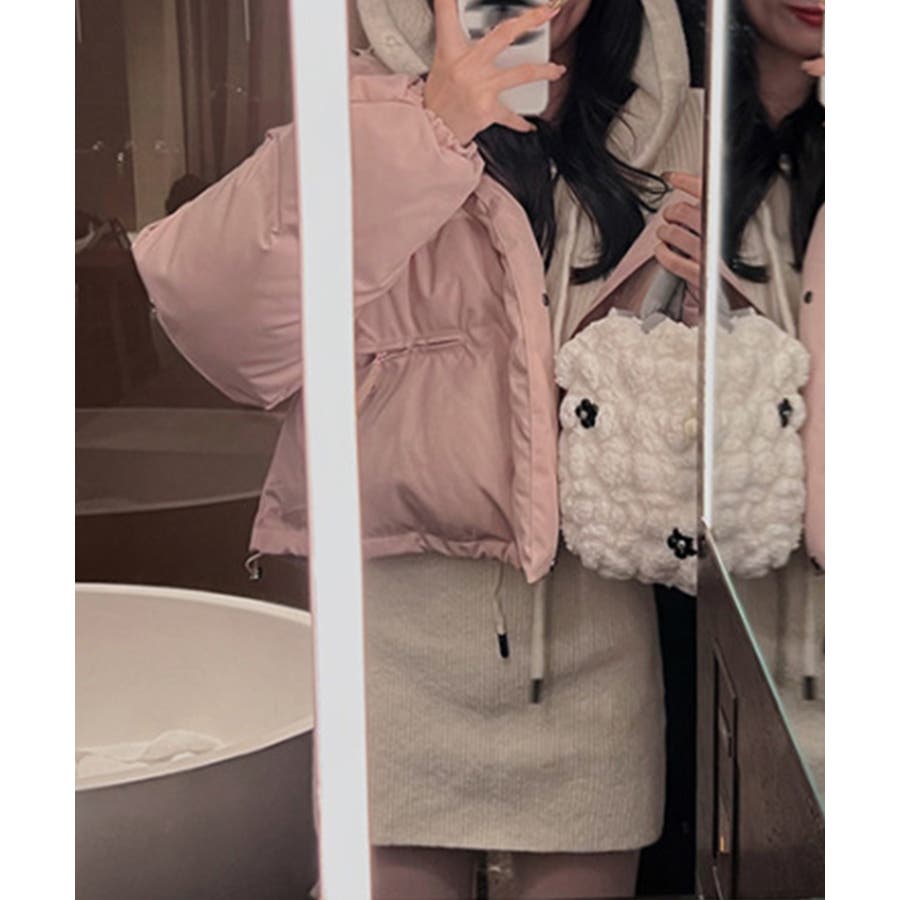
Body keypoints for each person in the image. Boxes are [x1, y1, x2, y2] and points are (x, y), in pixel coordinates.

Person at [132, 2, 704, 896]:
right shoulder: (358, 106)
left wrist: (709, 289)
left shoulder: (667, 124)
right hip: (394, 625)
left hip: (595, 625)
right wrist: (428, 126)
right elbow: (220, 325)